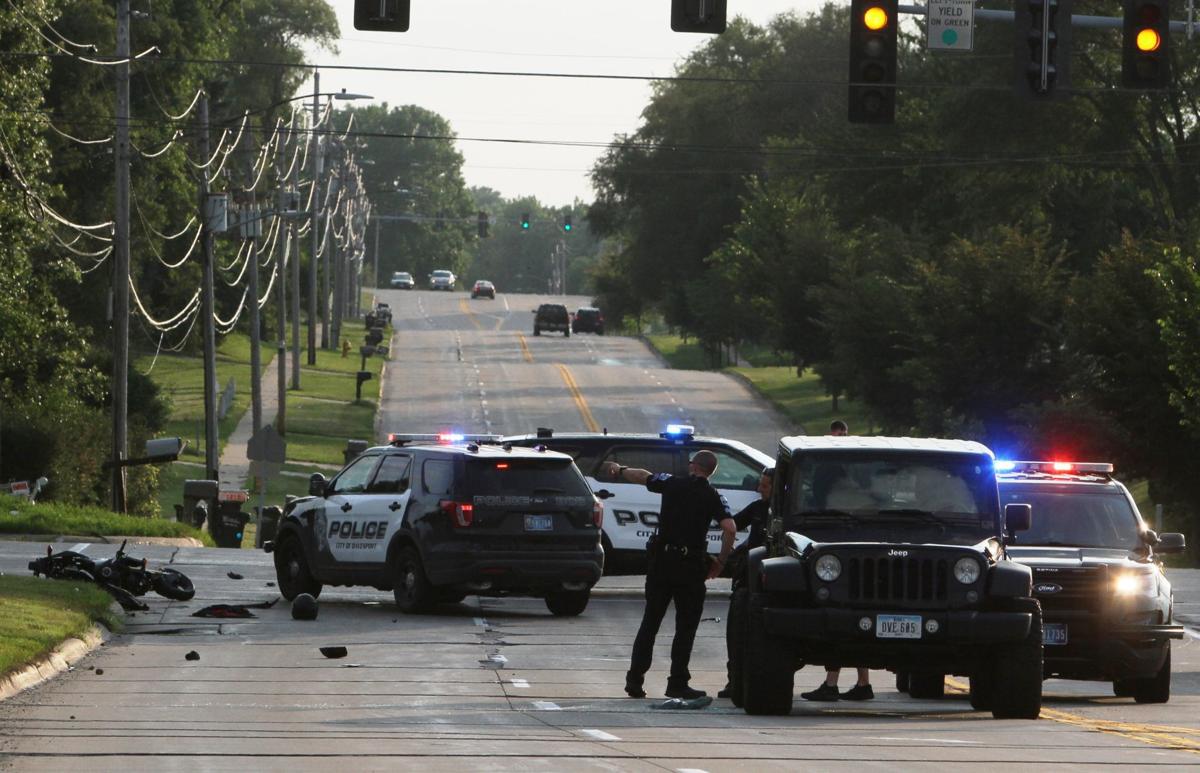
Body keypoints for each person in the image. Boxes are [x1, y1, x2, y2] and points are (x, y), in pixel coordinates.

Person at [605, 451, 735, 700]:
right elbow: (729, 528)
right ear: (711, 471)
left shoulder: (672, 483)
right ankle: (677, 682)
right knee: (685, 628)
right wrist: (720, 562)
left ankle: (634, 680)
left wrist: (620, 469)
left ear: (692, 466)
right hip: (691, 567)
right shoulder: (714, 495)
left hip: (662, 564)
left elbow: (644, 477)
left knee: (650, 623)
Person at [803, 419, 874, 702]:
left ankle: (834, 684)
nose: (840, 439)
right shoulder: (850, 467)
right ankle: (862, 684)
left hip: (844, 554)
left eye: (843, 434)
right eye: (836, 436)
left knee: (843, 625)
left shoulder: (834, 467)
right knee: (860, 626)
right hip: (856, 551)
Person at [717, 467, 773, 700]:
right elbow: (733, 524)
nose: (760, 489)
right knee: (736, 633)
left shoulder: (787, 513)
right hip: (747, 582)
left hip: (774, 585)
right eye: (760, 484)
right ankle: (734, 680)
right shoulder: (758, 508)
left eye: (766, 485)